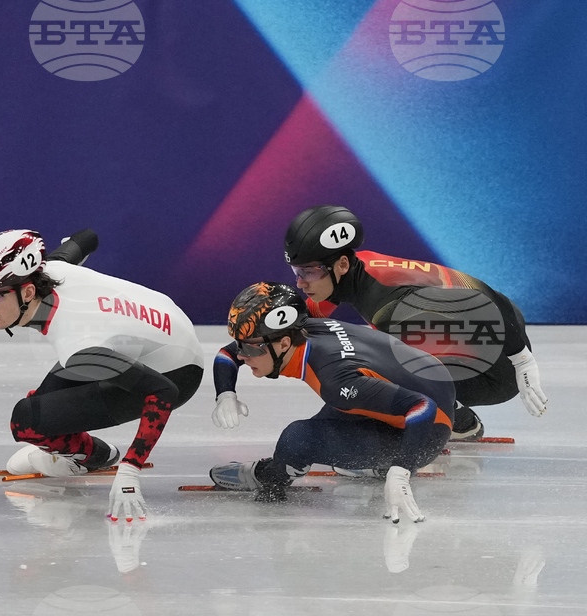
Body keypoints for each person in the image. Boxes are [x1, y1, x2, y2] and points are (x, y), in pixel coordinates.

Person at [0, 229, 204, 522]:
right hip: (159, 331)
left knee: (26, 423)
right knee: (41, 407)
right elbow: (86, 238)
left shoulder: (78, 343)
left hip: (178, 372)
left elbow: (163, 391)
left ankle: (93, 458)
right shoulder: (53, 268)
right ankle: (77, 451)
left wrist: (131, 468)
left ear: (28, 292)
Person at [283, 205, 547, 440]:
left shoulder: (390, 302)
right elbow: (301, 323)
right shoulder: (353, 268)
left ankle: (452, 419)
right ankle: (457, 416)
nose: (300, 282)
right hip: (489, 334)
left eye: (308, 272)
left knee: (373, 365)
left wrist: (522, 359)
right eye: (297, 272)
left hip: (498, 370)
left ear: (340, 265)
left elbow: (485, 296)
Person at [209, 282, 455, 522]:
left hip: (426, 431)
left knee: (298, 439)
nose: (242, 355)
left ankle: (272, 475)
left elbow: (422, 406)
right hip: (432, 384)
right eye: (241, 344)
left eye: (250, 349)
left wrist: (402, 470)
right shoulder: (304, 329)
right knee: (341, 406)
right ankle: (373, 460)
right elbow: (227, 354)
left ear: (284, 344)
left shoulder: (335, 379)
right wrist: (226, 393)